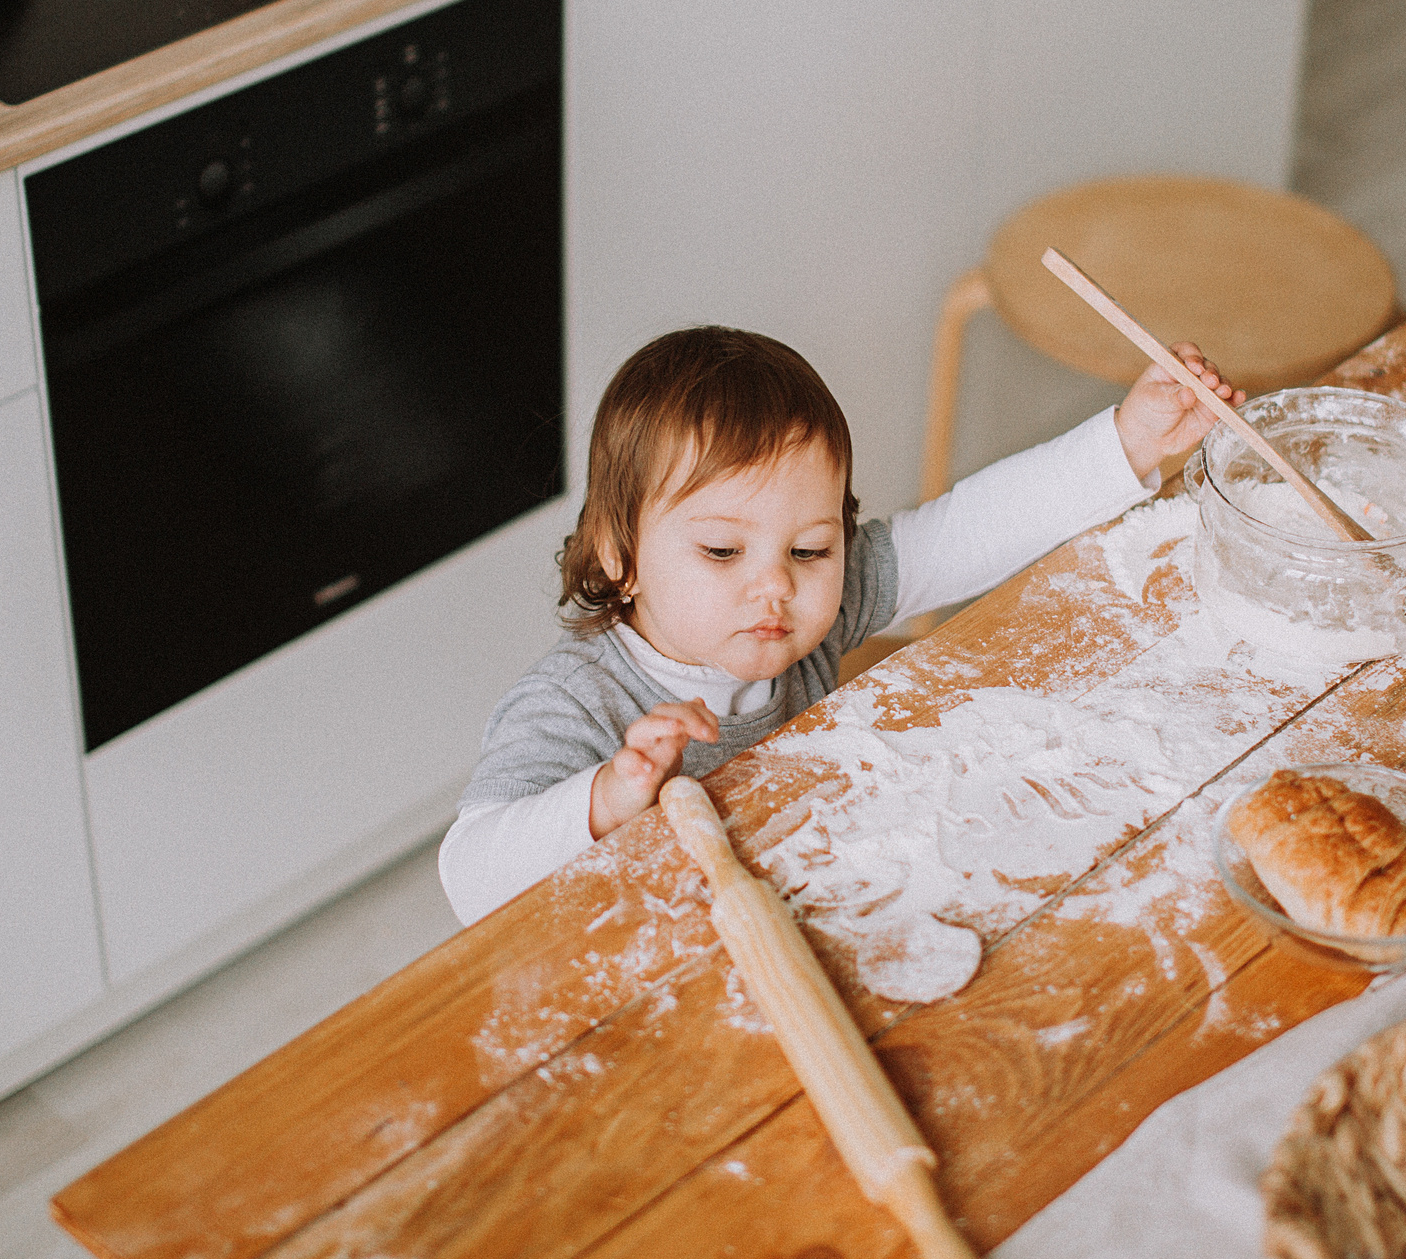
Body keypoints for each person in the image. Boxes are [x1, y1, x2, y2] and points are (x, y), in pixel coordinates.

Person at [437, 324, 1239, 924]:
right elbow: (467, 874)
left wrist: (1128, 444)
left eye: (812, 547)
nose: (776, 585)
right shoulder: (575, 703)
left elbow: (965, 529)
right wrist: (607, 798)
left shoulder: (817, 609)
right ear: (621, 558)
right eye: (722, 550)